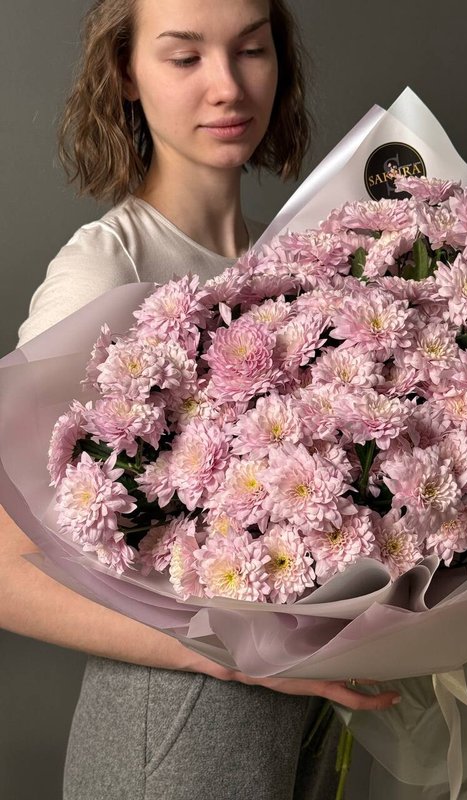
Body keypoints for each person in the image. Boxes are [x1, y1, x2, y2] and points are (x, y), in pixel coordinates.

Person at [1, 1, 402, 798]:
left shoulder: (297, 263)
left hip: (301, 715)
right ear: (125, 73)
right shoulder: (107, 272)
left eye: (250, 50)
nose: (227, 86)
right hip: (177, 723)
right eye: (185, 57)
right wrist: (222, 654)